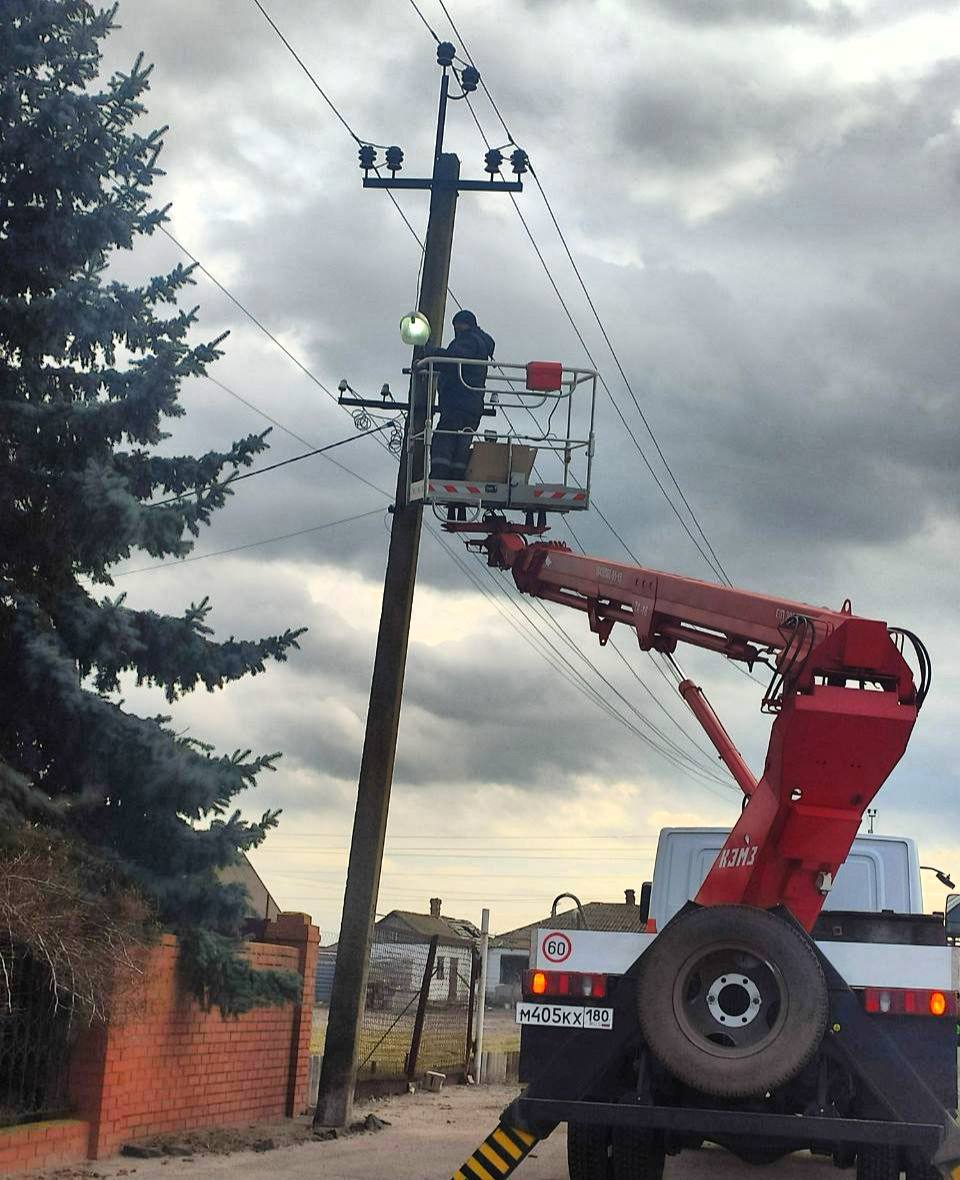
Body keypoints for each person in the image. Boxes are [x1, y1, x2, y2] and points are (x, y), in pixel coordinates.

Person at [427, 308, 495, 483]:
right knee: (462, 444)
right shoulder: (481, 343)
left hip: (458, 402)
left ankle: (439, 477)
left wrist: (431, 354)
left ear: (462, 324)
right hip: (472, 405)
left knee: (444, 440)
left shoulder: (468, 340)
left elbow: (454, 360)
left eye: (457, 325)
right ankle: (457, 477)